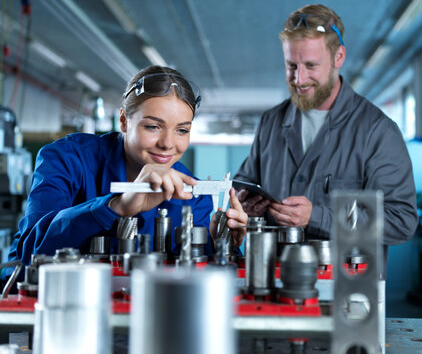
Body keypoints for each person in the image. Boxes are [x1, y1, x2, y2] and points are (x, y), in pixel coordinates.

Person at [5, 65, 247, 271]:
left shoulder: (190, 194)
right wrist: (114, 207)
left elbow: (194, 274)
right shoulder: (67, 159)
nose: (167, 144)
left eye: (182, 130)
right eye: (153, 126)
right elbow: (29, 253)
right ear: (123, 120)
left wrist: (218, 242)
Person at [235, 4, 418, 255]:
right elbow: (243, 187)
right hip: (273, 279)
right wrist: (246, 204)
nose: (299, 79)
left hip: (346, 287)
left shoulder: (377, 132)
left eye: (311, 65)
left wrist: (318, 218)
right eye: (291, 66)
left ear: (338, 57)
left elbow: (401, 221)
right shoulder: (271, 122)